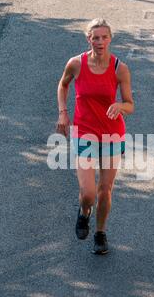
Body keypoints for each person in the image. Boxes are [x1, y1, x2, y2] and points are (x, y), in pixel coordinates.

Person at [56, 18, 134, 254]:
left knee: (105, 190)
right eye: (95, 37)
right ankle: (84, 211)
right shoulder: (76, 64)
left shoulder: (119, 68)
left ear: (110, 38)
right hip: (84, 133)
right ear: (88, 39)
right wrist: (63, 113)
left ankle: (100, 233)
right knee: (88, 192)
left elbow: (130, 104)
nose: (100, 41)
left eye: (104, 37)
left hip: (112, 135)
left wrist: (120, 106)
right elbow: (63, 85)